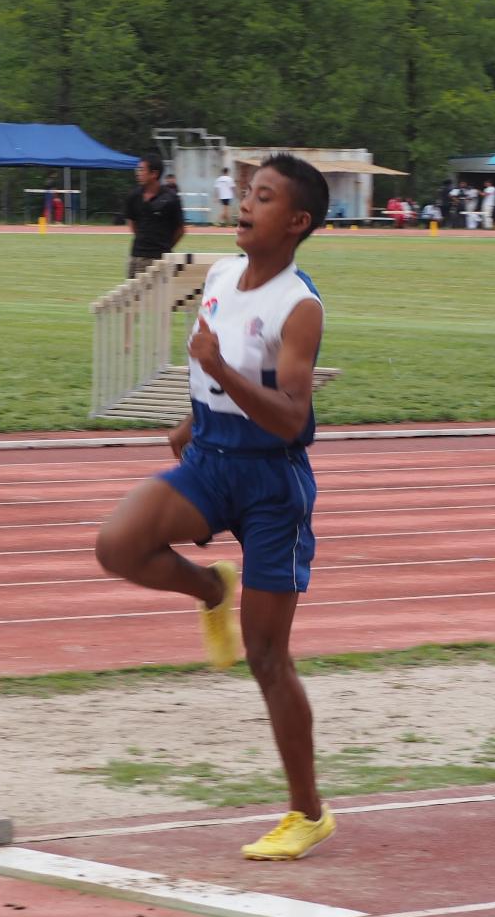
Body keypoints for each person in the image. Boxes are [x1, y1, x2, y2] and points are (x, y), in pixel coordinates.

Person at [93, 154, 335, 863]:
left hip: (270, 485)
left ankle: (307, 813)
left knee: (267, 657)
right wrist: (196, 419)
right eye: (246, 194)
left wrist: (223, 374)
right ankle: (210, 587)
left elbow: (290, 417)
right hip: (210, 460)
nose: (245, 206)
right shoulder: (222, 276)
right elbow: (215, 367)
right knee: (118, 544)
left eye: (263, 198)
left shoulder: (301, 306)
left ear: (297, 222)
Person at [118, 152, 186, 278]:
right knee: (135, 296)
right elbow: (132, 224)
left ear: (154, 174)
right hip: (137, 255)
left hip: (161, 258)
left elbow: (180, 230)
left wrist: (164, 246)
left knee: (160, 296)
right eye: (137, 169)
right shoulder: (133, 196)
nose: (138, 173)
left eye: (142, 169)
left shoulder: (171, 198)